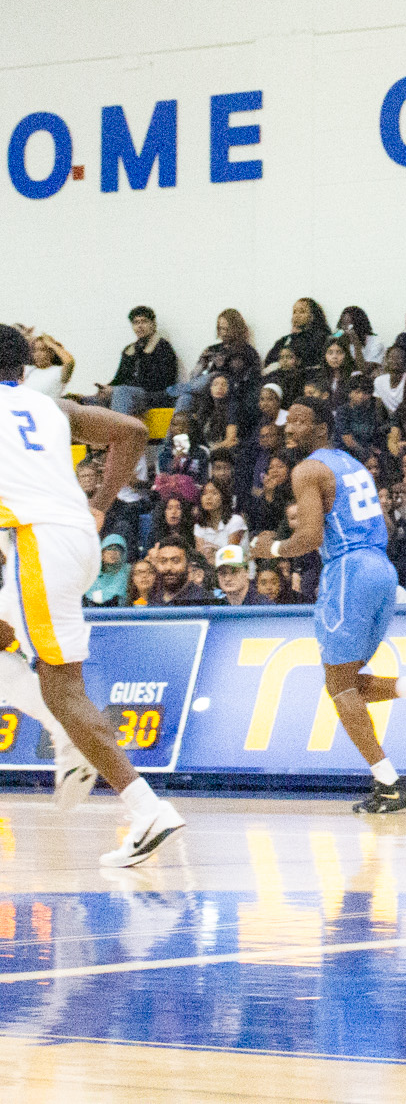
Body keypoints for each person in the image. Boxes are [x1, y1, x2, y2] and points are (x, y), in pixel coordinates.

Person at [0, 323, 186, 865]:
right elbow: (130, 431)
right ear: (23, 367)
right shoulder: (48, 405)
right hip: (77, 538)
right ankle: (68, 739)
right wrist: (101, 503)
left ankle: (146, 807)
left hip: (37, 543)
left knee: (64, 690)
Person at [253, 396, 406, 812]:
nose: (290, 429)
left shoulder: (308, 469)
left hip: (349, 572)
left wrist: (270, 548)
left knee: (340, 685)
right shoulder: (354, 466)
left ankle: (389, 784)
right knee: (344, 680)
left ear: (322, 429)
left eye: (299, 421)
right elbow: (384, 523)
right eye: (287, 421)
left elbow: (310, 538)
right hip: (382, 569)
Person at [99, 305, 178, 423]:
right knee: (88, 400)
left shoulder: (163, 347)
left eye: (144, 321)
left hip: (155, 394)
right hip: (129, 392)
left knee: (122, 392)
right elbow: (119, 378)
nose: (140, 326)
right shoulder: (130, 349)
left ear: (153, 324)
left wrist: (118, 389)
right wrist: (107, 388)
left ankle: (118, 436)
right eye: (136, 323)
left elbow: (162, 381)